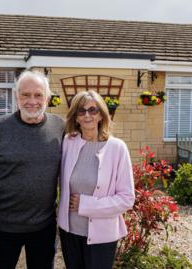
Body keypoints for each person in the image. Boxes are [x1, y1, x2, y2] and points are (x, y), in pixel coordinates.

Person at [0, 70, 65, 269]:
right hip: (2, 227)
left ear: (47, 98)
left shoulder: (59, 127)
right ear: (16, 97)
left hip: (44, 227)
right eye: (25, 94)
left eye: (38, 95)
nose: (32, 101)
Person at [58, 90, 135, 269]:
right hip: (69, 232)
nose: (87, 115)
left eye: (93, 110)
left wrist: (86, 205)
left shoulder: (117, 148)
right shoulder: (68, 143)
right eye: (81, 111)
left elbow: (126, 199)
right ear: (75, 117)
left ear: (101, 115)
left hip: (102, 236)